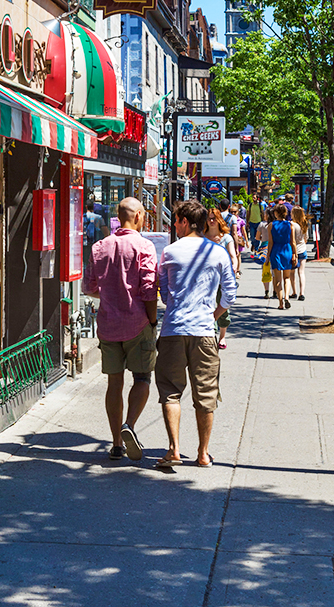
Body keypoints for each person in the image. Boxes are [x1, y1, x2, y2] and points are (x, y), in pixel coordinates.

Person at [154, 199, 237, 469]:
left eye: (175, 220)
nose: (173, 225)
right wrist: (212, 316)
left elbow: (165, 296)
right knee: (206, 394)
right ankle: (203, 453)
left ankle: (174, 449)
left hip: (173, 330)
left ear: (185, 222)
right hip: (204, 332)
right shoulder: (217, 253)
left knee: (170, 392)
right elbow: (230, 294)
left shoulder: (169, 253)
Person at [83, 197, 158, 461]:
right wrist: (152, 320)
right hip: (138, 323)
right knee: (142, 378)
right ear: (138, 216)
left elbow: (89, 287)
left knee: (114, 382)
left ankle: (116, 443)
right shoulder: (144, 246)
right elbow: (149, 290)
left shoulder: (99, 246)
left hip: (108, 324)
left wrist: (109, 295)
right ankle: (130, 425)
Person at [205, 207, 239, 349]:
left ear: (219, 220)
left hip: (221, 279)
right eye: (209, 218)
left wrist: (234, 266)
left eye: (214, 218)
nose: (212, 221)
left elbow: (233, 255)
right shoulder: (202, 236)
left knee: (222, 306)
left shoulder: (226, 237)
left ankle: (222, 336)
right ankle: (210, 333)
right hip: (206, 279)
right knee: (207, 306)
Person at [267, 204, 297, 310]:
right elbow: (293, 241)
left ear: (275, 213)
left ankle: (280, 303)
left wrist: (267, 257)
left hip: (276, 251)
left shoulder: (271, 225)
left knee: (277, 279)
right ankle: (287, 297)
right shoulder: (290, 225)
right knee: (287, 277)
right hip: (287, 250)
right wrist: (295, 254)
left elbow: (270, 242)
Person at [289, 205, 310, 301]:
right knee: (301, 272)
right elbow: (306, 239)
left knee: (292, 273)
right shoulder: (304, 224)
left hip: (294, 251)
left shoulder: (292, 225)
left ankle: (294, 292)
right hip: (303, 250)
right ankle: (302, 293)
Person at [255, 209, 273, 299]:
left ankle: (266, 291)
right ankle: (276, 291)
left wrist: (263, 237)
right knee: (275, 270)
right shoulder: (275, 224)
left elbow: (257, 237)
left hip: (264, 247)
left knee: (265, 269)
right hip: (274, 247)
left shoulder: (262, 224)